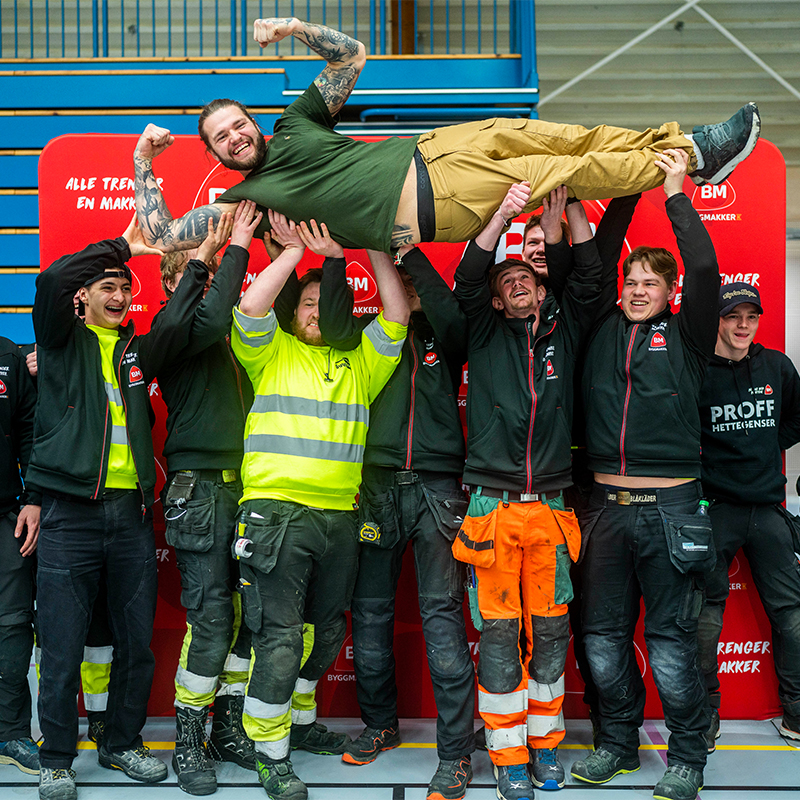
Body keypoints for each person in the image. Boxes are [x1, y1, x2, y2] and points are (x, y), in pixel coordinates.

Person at [134, 17, 760, 256]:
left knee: (570, 137)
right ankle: (695, 158)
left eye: (239, 123)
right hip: (441, 201)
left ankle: (684, 142)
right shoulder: (250, 204)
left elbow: (350, 56)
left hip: (441, 148)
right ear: (215, 155)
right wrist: (142, 162)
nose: (237, 136)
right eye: (223, 137)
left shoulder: (296, 121)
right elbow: (162, 236)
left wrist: (297, 28)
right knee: (570, 172)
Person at [229, 210, 408, 800]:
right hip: (276, 514)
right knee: (280, 640)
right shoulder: (270, 349)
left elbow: (398, 316)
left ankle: (300, 727)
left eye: (321, 303)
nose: (314, 310)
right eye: (305, 303)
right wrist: (299, 253)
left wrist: (371, 246)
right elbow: (252, 306)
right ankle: (269, 751)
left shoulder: (361, 362)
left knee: (324, 633)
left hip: (339, 518)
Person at [29, 217, 203, 800]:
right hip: (67, 514)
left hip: (130, 516)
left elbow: (178, 320)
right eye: (107, 286)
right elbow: (53, 277)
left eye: (125, 286)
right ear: (83, 296)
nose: (119, 295)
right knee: (60, 647)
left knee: (135, 642)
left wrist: (199, 260)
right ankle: (57, 758)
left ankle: (122, 743)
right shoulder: (58, 338)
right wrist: (124, 246)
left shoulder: (135, 351)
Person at [302, 220, 475, 800]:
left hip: (436, 490)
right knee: (369, 620)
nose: (406, 286)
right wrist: (334, 258)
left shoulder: (447, 334)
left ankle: (454, 755)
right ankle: (380, 725)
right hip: (373, 488)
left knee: (443, 620)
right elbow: (326, 320)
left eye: (413, 279)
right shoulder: (363, 338)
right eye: (396, 281)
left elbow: (449, 311)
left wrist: (401, 251)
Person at [569, 149, 719, 800]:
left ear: (668, 293)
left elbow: (707, 269)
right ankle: (619, 745)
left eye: (649, 283)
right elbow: (599, 258)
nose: (635, 290)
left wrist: (675, 191)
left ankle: (686, 759)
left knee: (670, 646)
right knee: (601, 640)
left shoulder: (688, 338)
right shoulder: (601, 324)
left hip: (672, 510)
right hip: (603, 509)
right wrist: (628, 189)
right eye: (631, 280)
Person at [451, 182, 602, 800]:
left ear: (543, 290)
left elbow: (589, 274)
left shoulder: (566, 334)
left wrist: (566, 210)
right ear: (496, 298)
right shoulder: (483, 333)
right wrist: (504, 216)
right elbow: (466, 277)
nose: (515, 283)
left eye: (526, 278)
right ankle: (506, 755)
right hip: (491, 507)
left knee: (550, 636)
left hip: (552, 509)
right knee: (497, 637)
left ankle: (544, 748)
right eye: (504, 280)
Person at [152, 201, 261, 794]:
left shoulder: (237, 334)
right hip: (200, 492)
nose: (201, 280)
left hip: (251, 488)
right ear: (171, 283)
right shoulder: (169, 336)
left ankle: (227, 729)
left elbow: (232, 311)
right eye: (188, 274)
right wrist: (221, 252)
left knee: (246, 619)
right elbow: (213, 311)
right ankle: (188, 742)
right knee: (213, 618)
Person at [695, 283, 800, 749]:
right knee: (702, 616)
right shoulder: (697, 371)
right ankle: (704, 716)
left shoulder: (777, 366)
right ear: (716, 319)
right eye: (733, 316)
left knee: (792, 613)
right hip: (715, 511)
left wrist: (763, 447)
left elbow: (796, 420)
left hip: (768, 509)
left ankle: (796, 713)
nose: (742, 325)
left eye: (750, 317)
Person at [0, 337, 40, 777]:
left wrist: (34, 498)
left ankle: (10, 732)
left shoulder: (8, 358)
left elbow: (31, 433)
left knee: (12, 625)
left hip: (5, 516)